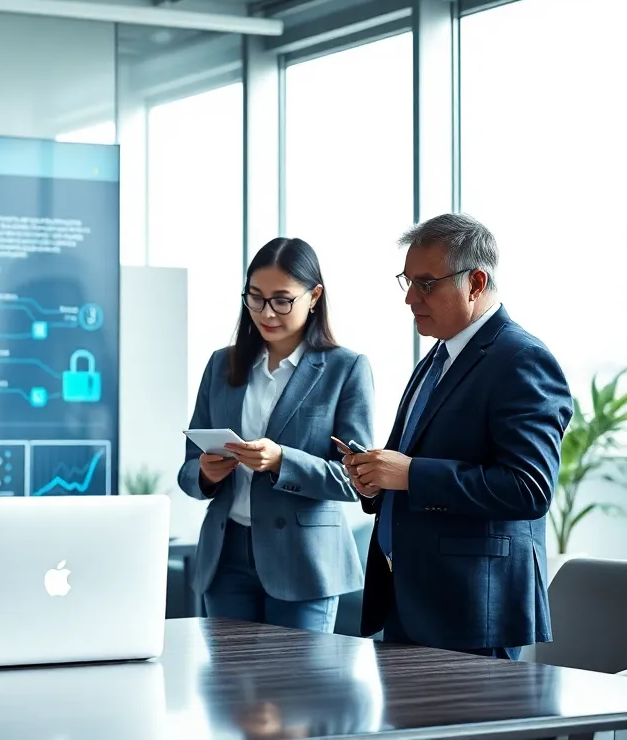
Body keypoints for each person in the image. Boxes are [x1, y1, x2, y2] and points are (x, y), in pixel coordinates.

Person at [344, 213, 572, 660]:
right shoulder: (436, 357)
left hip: (472, 612)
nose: (410, 298)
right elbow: (414, 463)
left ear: (476, 282)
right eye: (407, 282)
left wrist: (410, 475)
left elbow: (530, 488)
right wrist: (375, 480)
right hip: (409, 599)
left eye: (426, 284)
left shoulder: (522, 359)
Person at [178, 237, 373, 633]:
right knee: (230, 690)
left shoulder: (345, 369)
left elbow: (357, 479)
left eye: (282, 300)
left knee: (297, 690)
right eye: (255, 297)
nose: (266, 312)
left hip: (303, 563)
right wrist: (206, 474)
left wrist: (283, 461)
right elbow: (187, 470)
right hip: (226, 555)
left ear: (314, 296)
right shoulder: (221, 365)